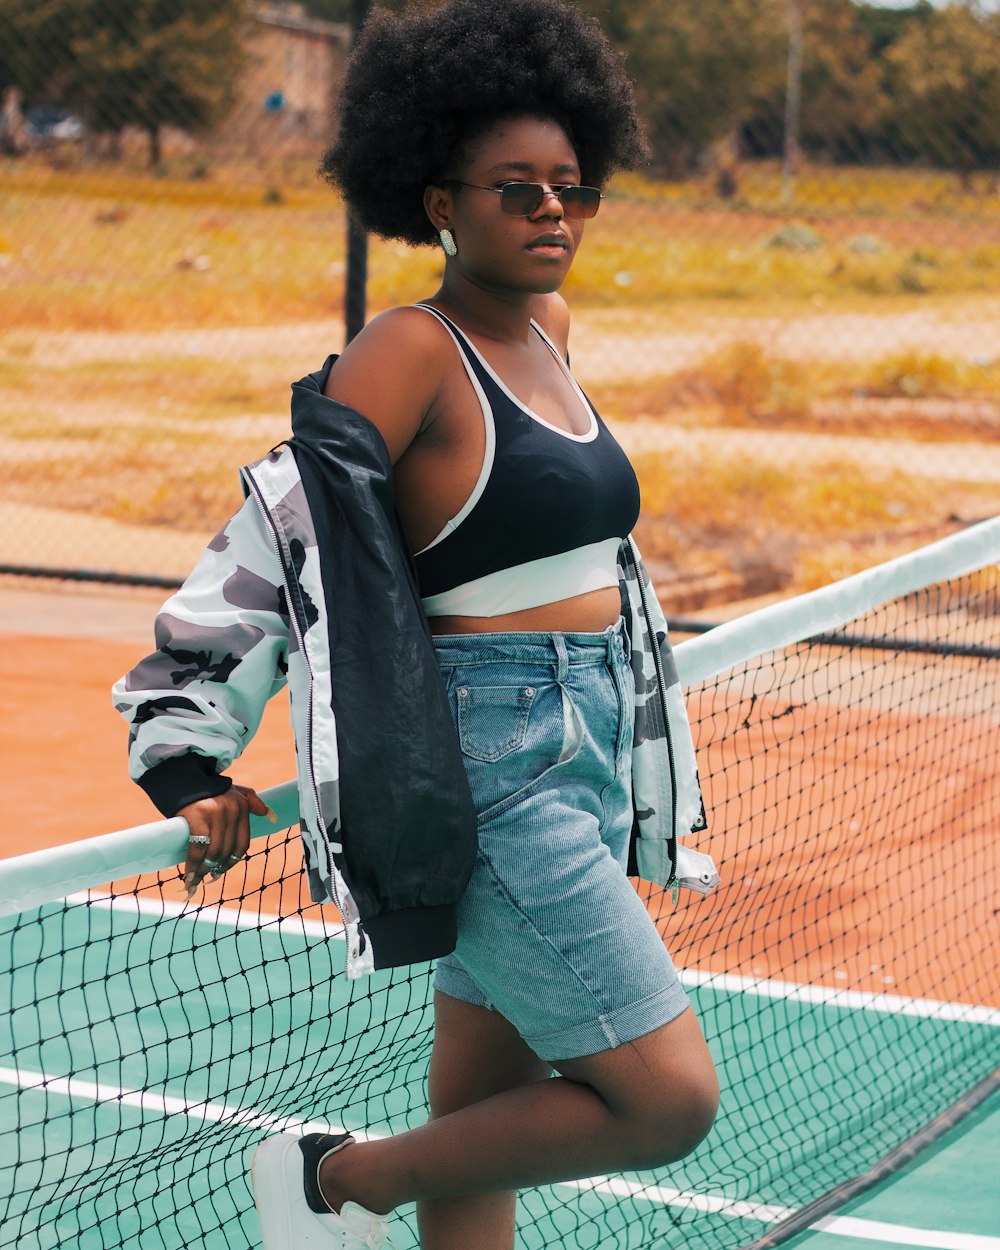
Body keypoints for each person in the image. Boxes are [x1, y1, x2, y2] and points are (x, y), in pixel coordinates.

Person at [113, 2, 720, 1247]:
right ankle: (333, 1178)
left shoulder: (548, 333)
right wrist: (182, 749)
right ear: (439, 199)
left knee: (484, 1106)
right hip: (487, 771)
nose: (554, 211)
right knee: (665, 1101)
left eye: (574, 187)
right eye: (517, 189)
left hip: (590, 736)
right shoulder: (407, 348)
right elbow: (282, 534)